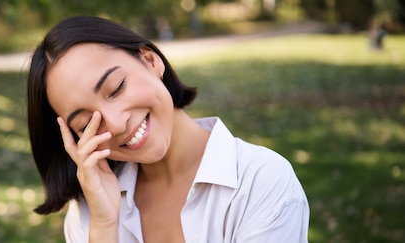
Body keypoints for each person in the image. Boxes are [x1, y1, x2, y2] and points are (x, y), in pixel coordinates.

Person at [26, 16, 309, 242]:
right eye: (87, 123)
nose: (116, 123)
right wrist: (104, 227)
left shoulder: (260, 183)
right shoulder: (90, 212)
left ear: (151, 60)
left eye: (117, 88)